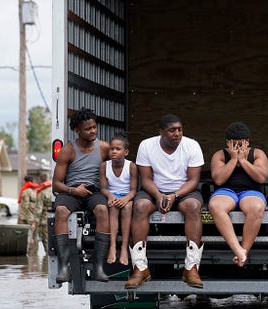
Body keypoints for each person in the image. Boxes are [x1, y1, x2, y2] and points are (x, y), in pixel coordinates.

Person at [125, 114, 205, 289]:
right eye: (172, 130)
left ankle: (191, 268)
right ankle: (140, 268)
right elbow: (145, 180)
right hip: (154, 191)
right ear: (160, 132)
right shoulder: (147, 145)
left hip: (184, 192)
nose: (177, 133)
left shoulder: (192, 145)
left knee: (193, 207)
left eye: (180, 129)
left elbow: (193, 181)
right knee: (139, 207)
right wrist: (159, 195)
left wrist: (174, 195)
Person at [52, 107, 111, 283]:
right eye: (88, 129)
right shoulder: (68, 150)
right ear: (77, 131)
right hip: (72, 192)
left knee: (102, 209)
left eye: (94, 127)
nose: (93, 131)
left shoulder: (104, 148)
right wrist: (73, 190)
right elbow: (56, 184)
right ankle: (64, 268)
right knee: (61, 211)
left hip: (94, 192)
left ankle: (98, 267)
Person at [209, 122, 268, 267]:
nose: (237, 148)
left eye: (241, 145)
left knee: (256, 207)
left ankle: (244, 251)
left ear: (247, 141)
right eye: (234, 145)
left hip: (251, 192)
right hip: (226, 191)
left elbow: (261, 177)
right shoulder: (220, 155)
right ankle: (238, 250)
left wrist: (242, 160)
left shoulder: (257, 153)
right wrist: (233, 159)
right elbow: (218, 179)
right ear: (227, 143)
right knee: (215, 206)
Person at [100, 131, 138, 266]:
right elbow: (103, 188)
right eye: (111, 149)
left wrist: (126, 199)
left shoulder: (131, 166)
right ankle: (112, 246)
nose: (114, 152)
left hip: (126, 196)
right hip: (112, 196)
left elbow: (134, 189)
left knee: (127, 208)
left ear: (126, 152)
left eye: (118, 149)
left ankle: (124, 248)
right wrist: (110, 196)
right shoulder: (105, 166)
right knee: (113, 209)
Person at [18, 175, 39, 254]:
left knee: (27, 235)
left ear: (25, 181)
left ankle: (30, 253)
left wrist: (20, 217)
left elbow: (25, 205)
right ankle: (35, 254)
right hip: (35, 217)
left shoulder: (26, 191)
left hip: (27, 217)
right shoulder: (36, 190)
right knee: (34, 235)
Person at [35, 173, 52, 251]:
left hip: (45, 219)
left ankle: (47, 258)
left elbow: (39, 209)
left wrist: (35, 222)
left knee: (46, 238)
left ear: (40, 180)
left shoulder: (42, 193)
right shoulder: (54, 190)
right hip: (58, 218)